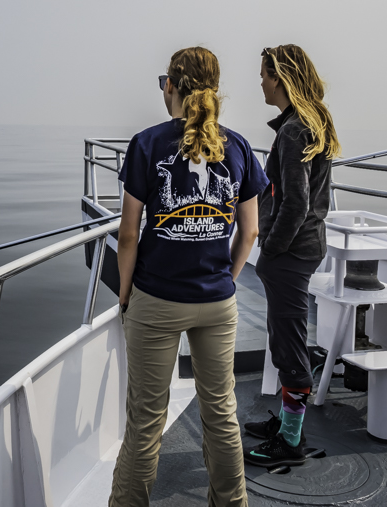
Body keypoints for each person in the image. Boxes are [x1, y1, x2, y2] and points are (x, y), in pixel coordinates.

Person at [108, 47, 268, 507]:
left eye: (164, 81)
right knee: (221, 414)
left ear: (173, 87)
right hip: (217, 302)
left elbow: (127, 234)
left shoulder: (147, 143)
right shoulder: (238, 147)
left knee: (145, 423)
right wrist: (227, 279)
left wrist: (125, 295)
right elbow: (250, 231)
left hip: (156, 298)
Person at [241, 44, 341, 468]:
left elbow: (296, 203)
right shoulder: (308, 122)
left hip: (291, 253)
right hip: (305, 248)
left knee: (288, 345)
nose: (261, 83)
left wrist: (271, 250)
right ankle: (285, 423)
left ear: (280, 79)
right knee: (286, 336)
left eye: (265, 75)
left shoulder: (293, 130)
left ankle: (291, 440)